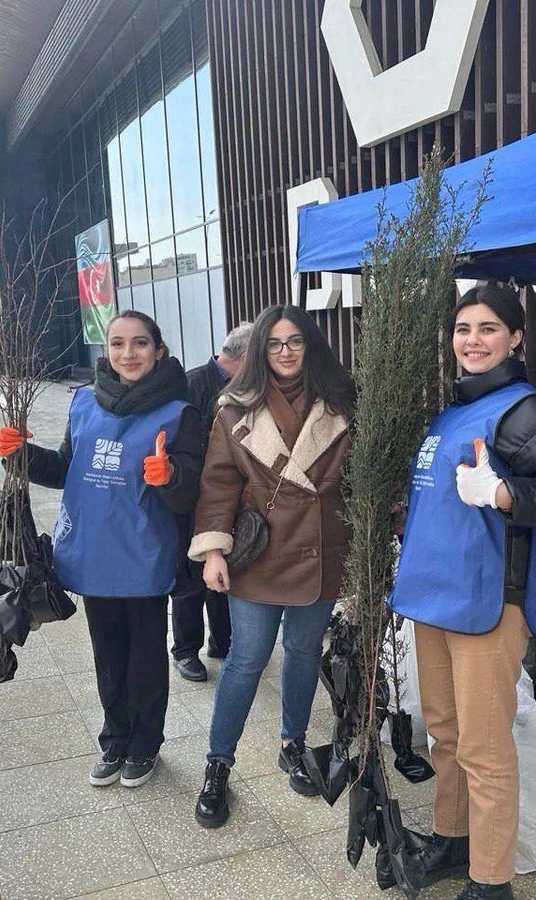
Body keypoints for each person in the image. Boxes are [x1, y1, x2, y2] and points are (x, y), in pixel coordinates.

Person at [389, 283, 536, 900]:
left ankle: (491, 881)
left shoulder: (528, 411)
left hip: (488, 602)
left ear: (516, 338)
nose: (473, 341)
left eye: (487, 329)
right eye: (463, 330)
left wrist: (505, 495)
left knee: (483, 747)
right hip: (434, 596)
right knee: (446, 735)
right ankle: (454, 841)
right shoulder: (451, 412)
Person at [0, 310, 203, 788]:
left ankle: (146, 744)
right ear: (105, 350)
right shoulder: (85, 403)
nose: (128, 354)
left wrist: (170, 476)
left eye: (139, 344)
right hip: (93, 552)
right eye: (117, 344)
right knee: (107, 654)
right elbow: (67, 467)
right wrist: (20, 455)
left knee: (146, 655)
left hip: (145, 555)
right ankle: (115, 739)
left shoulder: (179, 412)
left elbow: (191, 492)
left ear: (158, 350)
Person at [188, 304, 355, 827]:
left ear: (311, 345)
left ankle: (293, 743)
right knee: (246, 659)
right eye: (275, 343)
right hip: (258, 553)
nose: (285, 352)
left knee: (304, 653)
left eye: (295, 341)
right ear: (260, 350)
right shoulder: (234, 409)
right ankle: (218, 764)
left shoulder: (343, 403)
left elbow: (362, 479)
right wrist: (214, 550)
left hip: (319, 550)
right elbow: (219, 482)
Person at [169, 322, 253, 682]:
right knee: (189, 580)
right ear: (245, 357)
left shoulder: (246, 388)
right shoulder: (192, 384)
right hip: (190, 499)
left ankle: (223, 642)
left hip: (226, 499)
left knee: (223, 573)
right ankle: (185, 650)